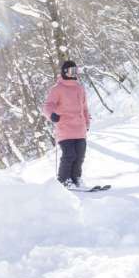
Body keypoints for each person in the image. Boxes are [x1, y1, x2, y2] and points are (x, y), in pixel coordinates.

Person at [43, 59, 92, 189]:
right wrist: (52, 114)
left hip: (80, 129)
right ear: (65, 72)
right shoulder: (57, 89)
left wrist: (87, 123)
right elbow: (48, 105)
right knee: (70, 155)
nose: (74, 73)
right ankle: (64, 179)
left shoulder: (80, 88)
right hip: (65, 128)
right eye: (71, 71)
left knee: (80, 156)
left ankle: (76, 178)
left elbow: (85, 108)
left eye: (76, 71)